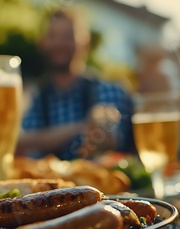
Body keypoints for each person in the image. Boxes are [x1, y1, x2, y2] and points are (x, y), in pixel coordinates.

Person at [17, 9, 134, 160]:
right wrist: (81, 126)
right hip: (49, 182)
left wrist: (99, 128)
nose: (59, 43)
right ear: (42, 43)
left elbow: (111, 140)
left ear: (85, 42)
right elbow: (19, 143)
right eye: (53, 36)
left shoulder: (109, 90)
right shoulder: (34, 97)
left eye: (68, 36)